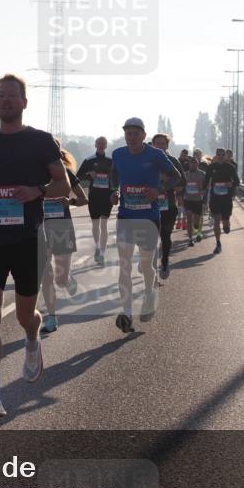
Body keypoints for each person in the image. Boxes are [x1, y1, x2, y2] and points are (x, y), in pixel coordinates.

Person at [0, 74, 69, 419]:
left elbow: (63, 184)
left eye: (11, 96)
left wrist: (37, 190)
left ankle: (33, 338)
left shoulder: (40, 141)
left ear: (24, 102)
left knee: (25, 314)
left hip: (27, 240)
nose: (5, 100)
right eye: (0, 96)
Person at [110, 118, 177, 332]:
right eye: (128, 133)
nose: (131, 137)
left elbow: (176, 176)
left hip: (149, 216)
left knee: (146, 264)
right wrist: (114, 191)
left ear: (143, 135)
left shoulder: (156, 154)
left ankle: (149, 291)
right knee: (125, 264)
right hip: (126, 216)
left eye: (135, 133)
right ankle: (127, 312)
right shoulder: (118, 154)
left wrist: (159, 190)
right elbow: (114, 176)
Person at [40, 142, 88, 334]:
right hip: (41, 227)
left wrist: (70, 202)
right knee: (46, 275)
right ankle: (51, 317)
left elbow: (84, 199)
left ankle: (67, 279)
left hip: (62, 227)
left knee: (59, 279)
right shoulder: (32, 173)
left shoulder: (67, 173)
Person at [150, 133, 186, 280]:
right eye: (157, 143)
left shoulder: (172, 161)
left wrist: (167, 182)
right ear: (152, 145)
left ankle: (164, 261)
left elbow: (182, 181)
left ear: (167, 146)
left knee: (165, 236)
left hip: (168, 205)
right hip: (149, 205)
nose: (159, 146)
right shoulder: (147, 160)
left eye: (162, 144)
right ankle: (150, 267)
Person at [75, 136, 113, 266]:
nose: (101, 145)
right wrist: (89, 175)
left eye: (103, 143)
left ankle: (102, 252)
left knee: (104, 224)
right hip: (94, 195)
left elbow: (117, 177)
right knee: (95, 224)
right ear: (95, 144)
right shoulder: (89, 160)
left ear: (106, 145)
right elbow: (78, 176)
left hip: (107, 196)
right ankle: (97, 247)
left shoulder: (111, 161)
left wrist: (115, 190)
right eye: (99, 143)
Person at [202, 147, 241, 254]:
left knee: (225, 221)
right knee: (216, 220)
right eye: (218, 154)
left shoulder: (230, 167)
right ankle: (218, 243)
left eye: (222, 155)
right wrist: (203, 192)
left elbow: (237, 181)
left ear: (225, 156)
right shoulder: (211, 167)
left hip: (226, 198)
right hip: (215, 197)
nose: (220, 156)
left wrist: (231, 184)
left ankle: (226, 225)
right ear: (216, 155)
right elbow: (206, 180)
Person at [182, 157, 206, 246]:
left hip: (198, 200)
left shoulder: (202, 174)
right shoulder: (185, 175)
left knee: (197, 220)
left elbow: (207, 186)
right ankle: (190, 239)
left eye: (194, 163)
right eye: (191, 163)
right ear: (189, 164)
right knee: (189, 219)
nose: (192, 164)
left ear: (197, 164)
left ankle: (197, 230)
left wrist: (204, 193)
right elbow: (182, 187)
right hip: (188, 200)